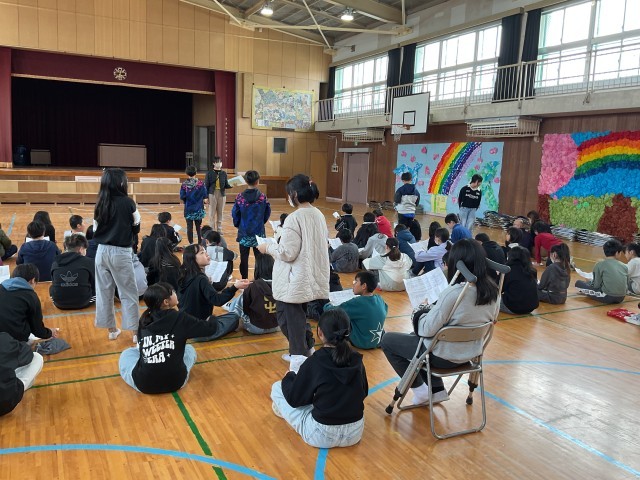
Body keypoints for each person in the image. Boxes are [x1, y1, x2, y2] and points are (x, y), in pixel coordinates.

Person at [381, 239, 499, 405]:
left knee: (388, 340)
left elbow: (426, 329)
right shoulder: (494, 292)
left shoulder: (454, 293)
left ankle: (421, 390)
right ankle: (437, 390)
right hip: (471, 354)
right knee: (417, 338)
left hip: (443, 357)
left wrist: (420, 311)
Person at [257, 174, 330, 373]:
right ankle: (306, 349)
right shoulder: (318, 214)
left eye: (289, 193)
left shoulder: (294, 218)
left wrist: (267, 247)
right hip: (308, 274)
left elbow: (287, 253)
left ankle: (298, 360)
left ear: (295, 194)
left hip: (294, 277)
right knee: (293, 316)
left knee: (291, 319)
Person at [270, 309, 368, 448]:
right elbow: (364, 392)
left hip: (321, 435)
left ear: (320, 332)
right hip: (355, 433)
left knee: (276, 387)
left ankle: (283, 411)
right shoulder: (357, 360)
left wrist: (289, 377)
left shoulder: (315, 362)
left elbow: (294, 399)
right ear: (348, 331)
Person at [118, 283, 225, 394]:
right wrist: (212, 318)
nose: (175, 293)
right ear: (166, 302)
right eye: (173, 292)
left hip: (144, 385)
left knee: (127, 353)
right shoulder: (180, 318)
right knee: (190, 349)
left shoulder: (144, 318)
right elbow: (211, 329)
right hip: (176, 383)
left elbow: (141, 347)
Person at [92, 168, 141, 342]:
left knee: (104, 292)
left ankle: (112, 330)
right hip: (121, 252)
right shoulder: (128, 203)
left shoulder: (100, 203)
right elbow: (136, 225)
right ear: (120, 183)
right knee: (128, 293)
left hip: (101, 252)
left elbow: (95, 229)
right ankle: (135, 333)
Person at [177, 243, 248, 339]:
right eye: (202, 253)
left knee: (229, 316)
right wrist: (235, 287)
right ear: (193, 259)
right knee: (235, 318)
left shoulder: (184, 274)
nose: (207, 254)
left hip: (185, 323)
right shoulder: (200, 279)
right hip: (200, 328)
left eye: (205, 251)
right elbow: (217, 300)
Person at [323, 271, 388, 349]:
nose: (353, 284)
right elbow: (385, 309)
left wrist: (328, 305)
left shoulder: (358, 302)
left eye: (356, 281)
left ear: (364, 286)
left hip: (360, 342)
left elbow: (333, 311)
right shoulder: (379, 299)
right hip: (378, 340)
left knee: (340, 318)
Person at [0, 264, 59, 343]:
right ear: (33, 280)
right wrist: (50, 332)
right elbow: (38, 330)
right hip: (14, 342)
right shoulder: (31, 296)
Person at [225, 253, 280, 335]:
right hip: (277, 326)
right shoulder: (281, 284)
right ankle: (231, 304)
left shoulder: (252, 286)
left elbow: (245, 310)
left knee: (240, 300)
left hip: (256, 328)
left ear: (257, 268)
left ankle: (230, 306)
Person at [231, 170, 271, 279]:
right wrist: (261, 222)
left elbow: (235, 213)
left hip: (244, 232)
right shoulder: (262, 197)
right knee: (259, 259)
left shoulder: (240, 197)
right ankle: (258, 281)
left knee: (244, 259)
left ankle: (244, 280)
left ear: (245, 181)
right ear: (257, 181)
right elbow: (267, 212)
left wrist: (238, 224)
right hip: (259, 233)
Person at [0, 332, 44, 416]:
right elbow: (28, 355)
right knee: (37, 357)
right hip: (7, 403)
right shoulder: (3, 338)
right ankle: (21, 386)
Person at [50, 234, 96, 310]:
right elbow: (95, 284)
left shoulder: (55, 262)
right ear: (81, 249)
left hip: (59, 303)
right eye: (85, 249)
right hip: (84, 302)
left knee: (52, 287)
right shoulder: (89, 262)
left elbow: (54, 282)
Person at [575, 239, 628, 304]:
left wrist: (589, 282)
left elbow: (596, 285)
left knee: (578, 283)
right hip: (621, 297)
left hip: (607, 297)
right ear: (617, 253)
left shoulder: (600, 264)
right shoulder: (624, 266)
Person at [501, 246, 539, 314]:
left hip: (514, 308)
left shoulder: (508, 270)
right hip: (531, 307)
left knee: (490, 298)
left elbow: (500, 289)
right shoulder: (532, 271)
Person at [180, 165, 208, 245]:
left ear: (186, 173)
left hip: (188, 208)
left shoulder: (184, 184)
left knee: (189, 227)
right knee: (199, 227)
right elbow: (205, 195)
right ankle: (200, 243)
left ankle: (191, 243)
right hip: (199, 209)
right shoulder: (201, 184)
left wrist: (186, 201)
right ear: (196, 173)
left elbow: (182, 196)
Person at [205, 156, 232, 233]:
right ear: (214, 163)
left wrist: (233, 184)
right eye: (217, 162)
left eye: (220, 162)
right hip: (212, 194)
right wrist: (206, 197)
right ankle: (212, 230)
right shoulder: (209, 173)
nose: (219, 164)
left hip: (222, 194)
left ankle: (219, 229)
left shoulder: (224, 173)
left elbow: (226, 185)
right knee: (212, 213)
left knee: (220, 213)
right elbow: (206, 186)